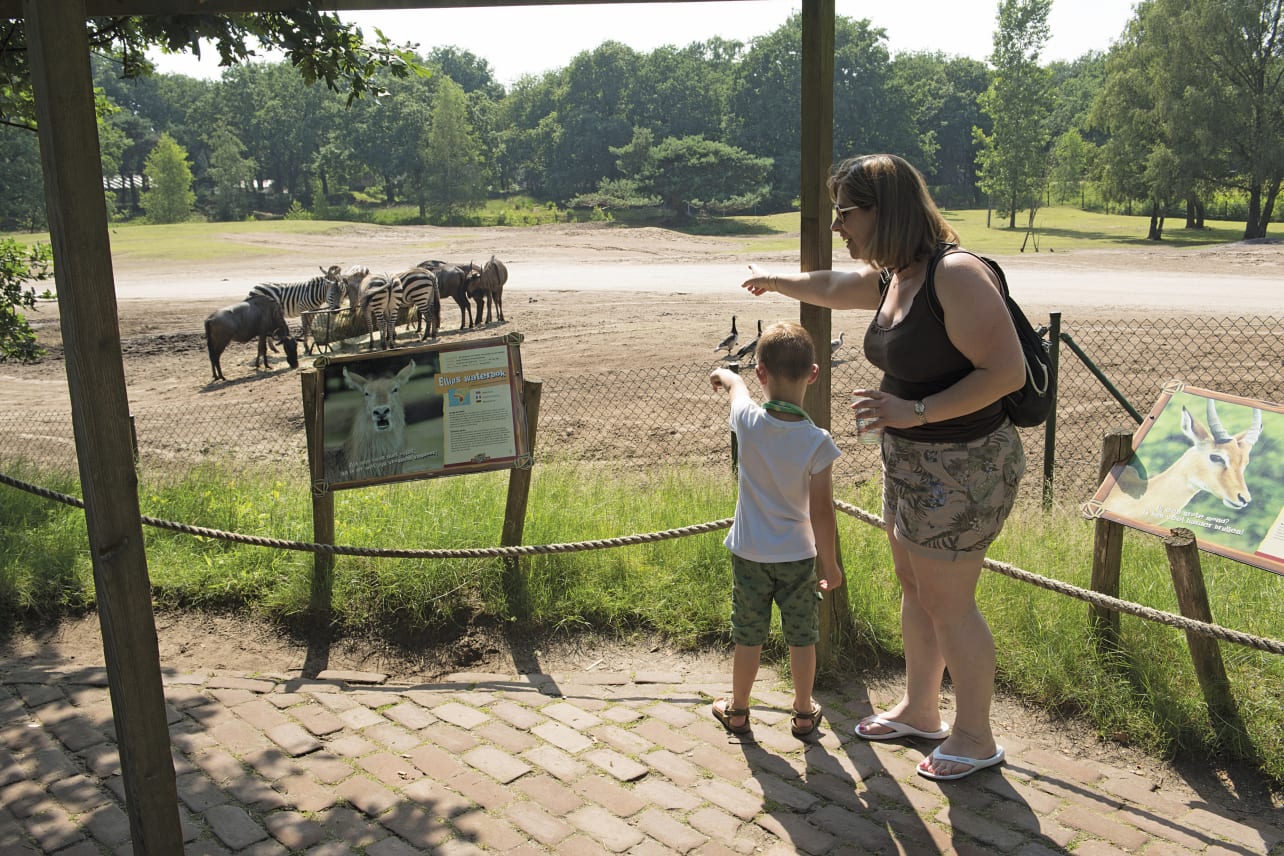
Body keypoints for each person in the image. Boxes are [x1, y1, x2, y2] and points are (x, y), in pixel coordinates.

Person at [741, 154, 1026, 781]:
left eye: (846, 212)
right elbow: (838, 287)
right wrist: (777, 281)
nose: (839, 224)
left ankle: (975, 737)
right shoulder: (899, 275)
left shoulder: (956, 274)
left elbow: (1007, 374)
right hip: (914, 463)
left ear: (884, 210)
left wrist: (914, 409)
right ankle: (923, 711)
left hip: (966, 467)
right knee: (917, 588)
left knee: (951, 602)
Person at [708, 321, 843, 739]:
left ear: (761, 373)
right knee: (802, 638)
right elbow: (822, 511)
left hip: (749, 554)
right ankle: (803, 712)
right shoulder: (817, 441)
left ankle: (739, 710)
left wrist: (729, 375)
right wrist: (831, 563)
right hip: (798, 557)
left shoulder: (748, 422)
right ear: (814, 374)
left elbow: (738, 393)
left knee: (748, 637)